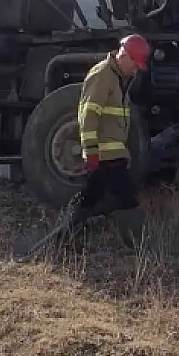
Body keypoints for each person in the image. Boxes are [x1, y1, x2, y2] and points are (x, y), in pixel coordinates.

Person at [66, 34, 152, 235]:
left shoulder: (119, 79)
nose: (136, 70)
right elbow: (88, 114)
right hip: (102, 156)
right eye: (135, 65)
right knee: (123, 199)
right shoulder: (102, 75)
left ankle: (72, 233)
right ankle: (135, 243)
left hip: (113, 156)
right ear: (125, 56)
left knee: (98, 197)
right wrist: (91, 151)